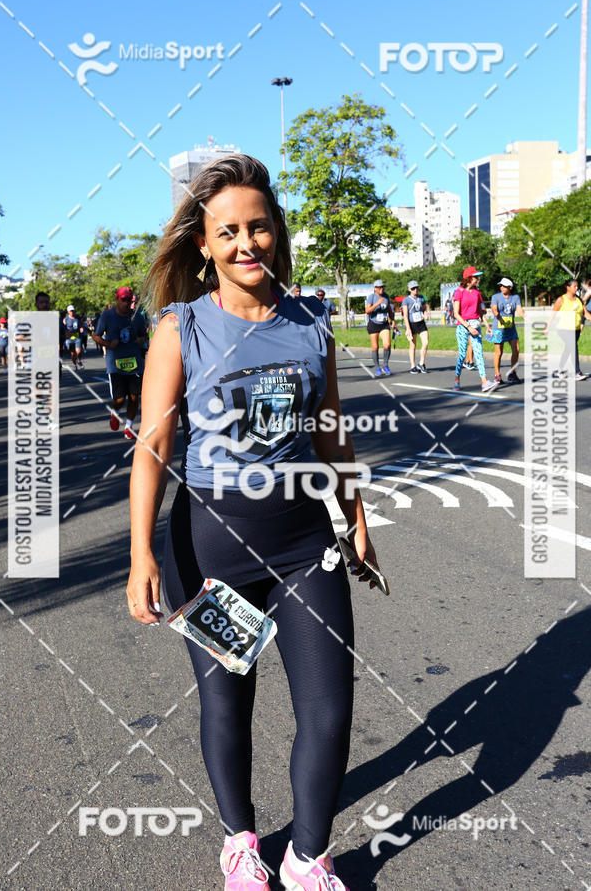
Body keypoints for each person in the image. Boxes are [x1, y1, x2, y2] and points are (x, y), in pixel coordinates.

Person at [126, 154, 380, 891]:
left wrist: (356, 515)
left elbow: (331, 431)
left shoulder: (311, 323)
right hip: (210, 548)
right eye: (227, 231)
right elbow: (155, 446)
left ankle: (307, 855)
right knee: (227, 701)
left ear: (276, 232)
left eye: (258, 226)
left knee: (330, 710)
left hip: (305, 543)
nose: (246, 243)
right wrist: (142, 553)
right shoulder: (182, 328)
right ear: (202, 245)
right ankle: (240, 841)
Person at [92, 286, 148, 439]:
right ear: (117, 300)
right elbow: (95, 336)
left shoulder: (137, 317)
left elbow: (144, 336)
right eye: (123, 300)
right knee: (120, 399)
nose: (126, 303)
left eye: (128, 300)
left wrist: (140, 340)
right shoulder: (107, 316)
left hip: (135, 363)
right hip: (115, 364)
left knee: (134, 397)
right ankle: (115, 412)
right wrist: (108, 345)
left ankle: (129, 426)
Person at [452, 267, 496, 393]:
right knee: (462, 354)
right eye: (475, 277)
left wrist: (487, 325)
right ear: (469, 278)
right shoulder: (459, 292)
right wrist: (468, 327)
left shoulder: (477, 293)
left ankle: (484, 382)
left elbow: (481, 312)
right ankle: (456, 379)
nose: (477, 279)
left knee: (479, 353)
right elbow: (456, 313)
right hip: (463, 326)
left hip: (475, 325)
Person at [544, 278, 586, 380]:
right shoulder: (561, 300)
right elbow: (553, 314)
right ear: (568, 287)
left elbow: (586, 314)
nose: (577, 288)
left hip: (575, 329)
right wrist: (547, 327)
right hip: (563, 329)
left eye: (577, 286)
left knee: (568, 349)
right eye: (574, 286)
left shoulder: (579, 300)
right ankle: (577, 372)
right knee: (573, 347)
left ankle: (559, 370)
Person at [490, 278, 524, 384]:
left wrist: (526, 317)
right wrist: (500, 318)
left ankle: (512, 373)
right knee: (499, 352)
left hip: (511, 328)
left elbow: (519, 310)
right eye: (500, 285)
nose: (501, 287)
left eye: (504, 286)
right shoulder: (495, 297)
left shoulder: (515, 297)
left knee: (516, 349)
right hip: (498, 328)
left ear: (510, 287)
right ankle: (497, 375)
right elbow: (494, 310)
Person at [365, 278, 394, 376]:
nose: (381, 289)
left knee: (387, 344)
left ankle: (385, 365)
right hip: (373, 324)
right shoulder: (371, 297)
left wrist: (393, 319)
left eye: (382, 287)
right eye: (379, 287)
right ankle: (377, 367)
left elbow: (389, 309)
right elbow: (367, 310)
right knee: (375, 346)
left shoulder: (386, 296)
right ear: (375, 288)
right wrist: (377, 303)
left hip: (384, 324)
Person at [402, 279, 429, 374]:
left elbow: (424, 308)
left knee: (425, 342)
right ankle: (413, 365)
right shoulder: (406, 300)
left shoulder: (421, 298)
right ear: (409, 289)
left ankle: (421, 363)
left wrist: (426, 314)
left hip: (421, 323)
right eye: (413, 288)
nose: (415, 290)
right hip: (411, 324)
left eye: (416, 288)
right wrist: (408, 328)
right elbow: (405, 315)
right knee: (413, 345)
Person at [62, 304, 85, 370]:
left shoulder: (77, 317)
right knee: (72, 354)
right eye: (71, 311)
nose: (72, 312)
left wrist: (81, 328)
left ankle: (79, 361)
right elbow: (63, 328)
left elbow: (81, 324)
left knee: (79, 351)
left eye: (73, 311)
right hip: (70, 338)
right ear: (68, 312)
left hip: (77, 336)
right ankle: (74, 365)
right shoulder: (65, 319)